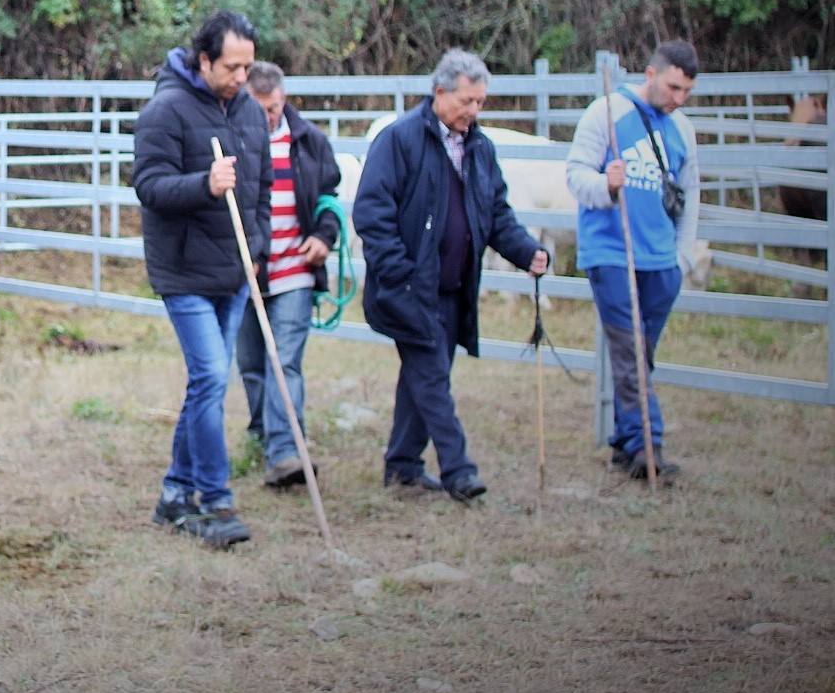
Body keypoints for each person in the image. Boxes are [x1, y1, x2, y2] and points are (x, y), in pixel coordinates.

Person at [354, 49, 548, 503]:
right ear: (439, 92)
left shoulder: (480, 147)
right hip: (407, 289)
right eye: (467, 101)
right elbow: (371, 213)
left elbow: (496, 213)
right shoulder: (399, 140)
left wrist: (527, 252)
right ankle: (459, 471)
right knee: (432, 376)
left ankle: (402, 466)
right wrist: (400, 272)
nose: (474, 111)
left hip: (453, 289)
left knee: (422, 377)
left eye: (480, 102)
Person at [132, 10, 272, 548]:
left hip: (235, 269)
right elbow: (149, 185)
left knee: (207, 385)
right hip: (184, 270)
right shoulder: (165, 111)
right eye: (232, 67)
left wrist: (256, 248)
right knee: (212, 377)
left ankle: (175, 492)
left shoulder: (250, 114)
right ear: (205, 60)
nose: (242, 78)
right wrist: (204, 184)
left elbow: (259, 188)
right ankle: (214, 500)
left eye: (248, 67)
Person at [566, 40, 700, 484]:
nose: (678, 99)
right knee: (629, 352)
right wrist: (607, 184)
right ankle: (649, 444)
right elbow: (576, 175)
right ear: (650, 74)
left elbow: (689, 194)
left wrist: (680, 257)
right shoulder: (605, 113)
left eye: (686, 92)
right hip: (612, 252)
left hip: (661, 259)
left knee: (641, 355)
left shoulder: (682, 128)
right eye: (673, 87)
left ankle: (627, 442)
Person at [233, 62, 341, 488]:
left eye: (275, 107)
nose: (270, 117)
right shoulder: (231, 142)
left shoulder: (309, 142)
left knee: (286, 360)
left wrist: (324, 237)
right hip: (246, 272)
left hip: (294, 269)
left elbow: (328, 198)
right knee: (252, 363)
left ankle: (285, 449)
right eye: (261, 109)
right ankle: (264, 433)